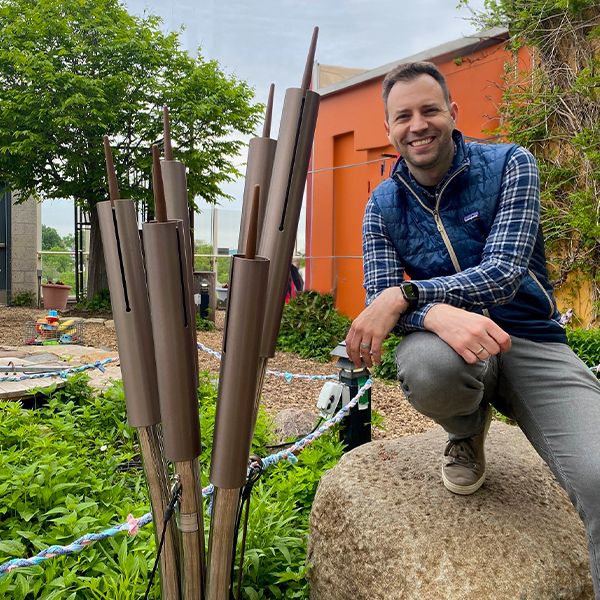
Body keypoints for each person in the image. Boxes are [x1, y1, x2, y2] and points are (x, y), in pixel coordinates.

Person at [344, 61, 600, 595]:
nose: (418, 124)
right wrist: (428, 311)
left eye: (430, 109)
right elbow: (381, 301)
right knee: (425, 364)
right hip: (451, 350)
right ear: (388, 129)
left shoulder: (511, 163)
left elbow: (505, 273)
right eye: (403, 116)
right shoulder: (382, 205)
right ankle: (466, 432)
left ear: (452, 114)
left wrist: (409, 295)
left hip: (531, 338)